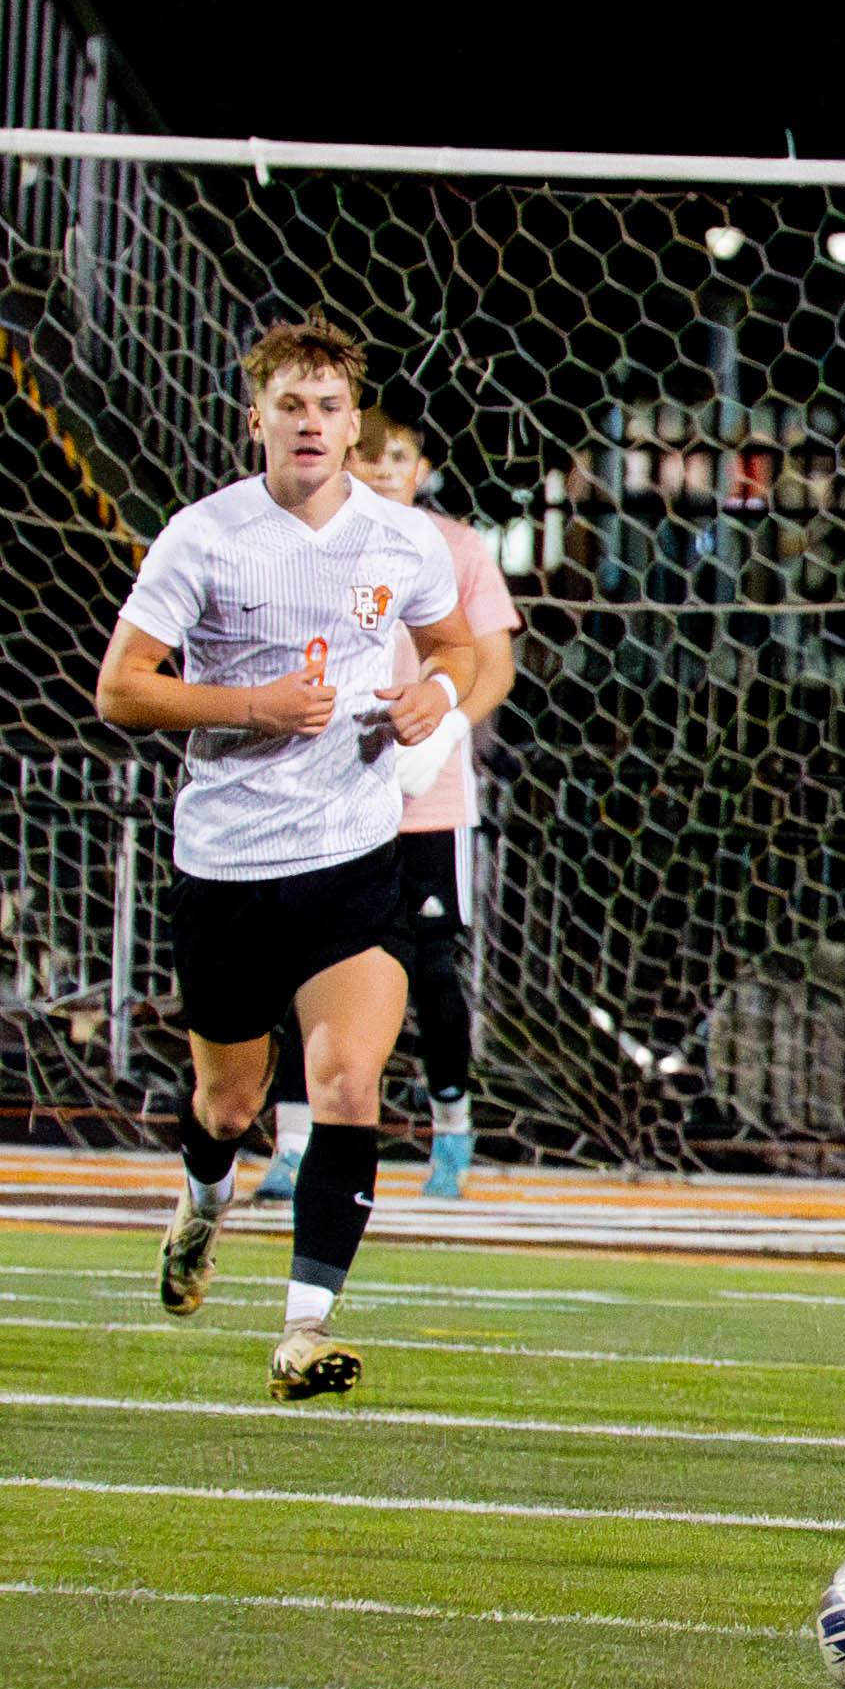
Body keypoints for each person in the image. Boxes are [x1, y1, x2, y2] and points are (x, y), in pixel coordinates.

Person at [94, 317, 476, 1400]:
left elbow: (459, 648)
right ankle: (201, 1205)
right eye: (289, 406)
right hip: (225, 863)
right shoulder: (204, 537)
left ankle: (304, 1332)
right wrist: (250, 706)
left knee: (349, 1082)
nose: (310, 425)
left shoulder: (400, 539)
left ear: (355, 423)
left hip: (353, 857)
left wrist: (432, 697)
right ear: (254, 418)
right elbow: (122, 687)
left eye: (327, 406)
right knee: (228, 1105)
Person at [256, 409, 523, 1203]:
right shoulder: (313, 542)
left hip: (423, 798)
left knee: (434, 972)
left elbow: (493, 666)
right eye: (366, 455)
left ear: (422, 466)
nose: (379, 469)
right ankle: (294, 1141)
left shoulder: (456, 547)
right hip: (328, 797)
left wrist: (443, 731)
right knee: (304, 967)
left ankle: (451, 1133)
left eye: (396, 456)